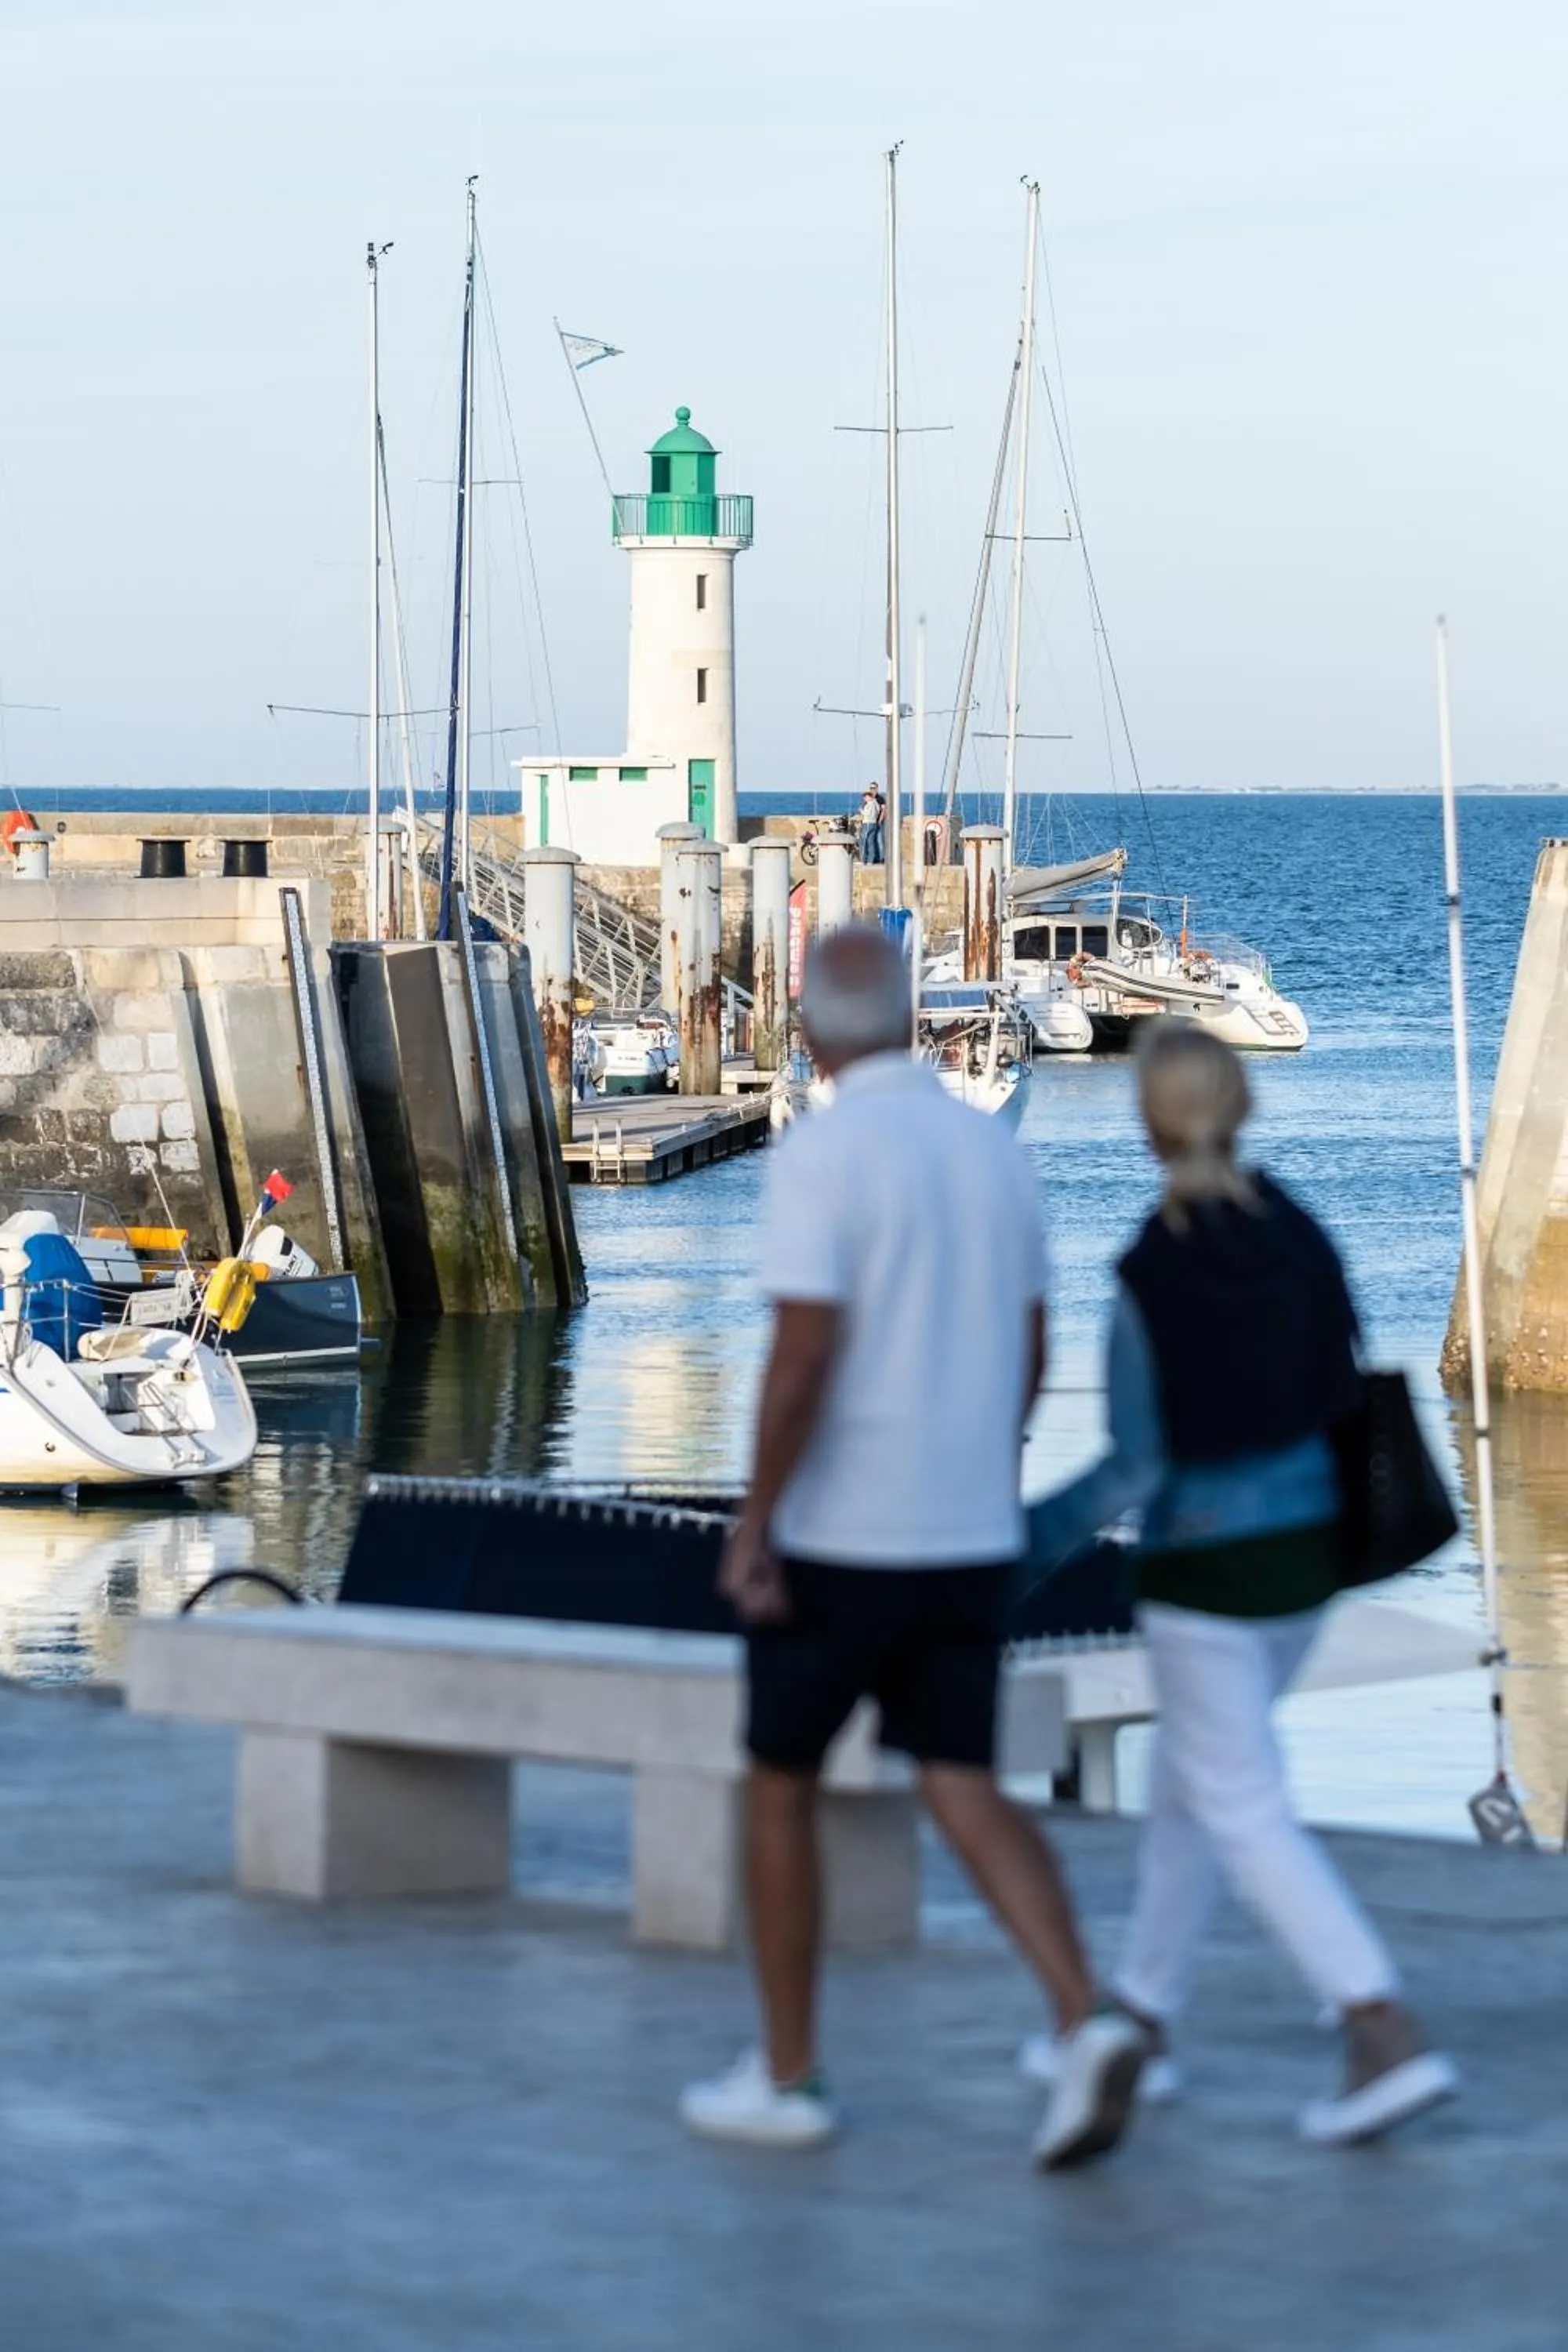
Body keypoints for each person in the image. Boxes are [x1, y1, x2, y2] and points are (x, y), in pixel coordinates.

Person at [680, 926, 1145, 2167]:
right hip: (967, 1530)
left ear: (815, 1029)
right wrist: (988, 1469)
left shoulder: (824, 1156)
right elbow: (1036, 1341)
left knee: (778, 1784)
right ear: (902, 1014)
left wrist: (758, 1520)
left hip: (843, 1534)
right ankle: (1084, 2015)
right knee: (962, 1781)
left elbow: (801, 1359)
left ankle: (790, 2077)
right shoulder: (993, 1155)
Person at [1027, 1020, 1459, 2147]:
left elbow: (1137, 1463)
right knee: (1194, 1783)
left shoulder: (1152, 1267)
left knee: (1238, 1799)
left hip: (1205, 1578)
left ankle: (1378, 2023)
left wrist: (1020, 1549)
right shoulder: (1300, 1233)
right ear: (1241, 1105)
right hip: (1311, 1565)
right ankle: (1141, 2019)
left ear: (1147, 1120)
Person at [858, 785, 883, 865]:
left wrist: (861, 810)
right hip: (874, 823)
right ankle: (870, 861)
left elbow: (867, 814)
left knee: (863, 842)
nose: (864, 799)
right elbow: (879, 811)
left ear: (869, 797)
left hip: (868, 823)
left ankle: (863, 860)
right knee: (871, 842)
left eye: (865, 797)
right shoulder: (876, 803)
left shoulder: (870, 804)